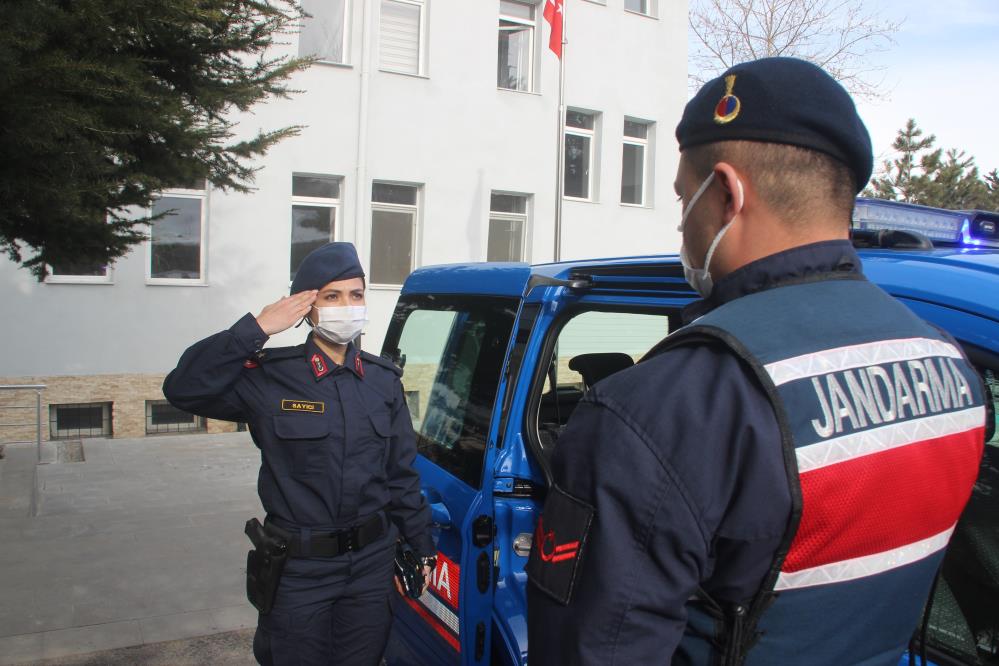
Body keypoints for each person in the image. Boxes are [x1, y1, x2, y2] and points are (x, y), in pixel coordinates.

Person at [526, 57, 988, 665]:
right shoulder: (949, 362)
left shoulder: (656, 410)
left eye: (683, 198)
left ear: (725, 194)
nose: (682, 224)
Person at [163, 242, 434, 666]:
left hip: (370, 566)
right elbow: (183, 388)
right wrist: (257, 327)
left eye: (356, 295)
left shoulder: (382, 381)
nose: (347, 306)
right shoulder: (270, 378)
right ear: (306, 305)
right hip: (300, 571)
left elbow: (400, 474)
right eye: (331, 296)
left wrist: (422, 543)